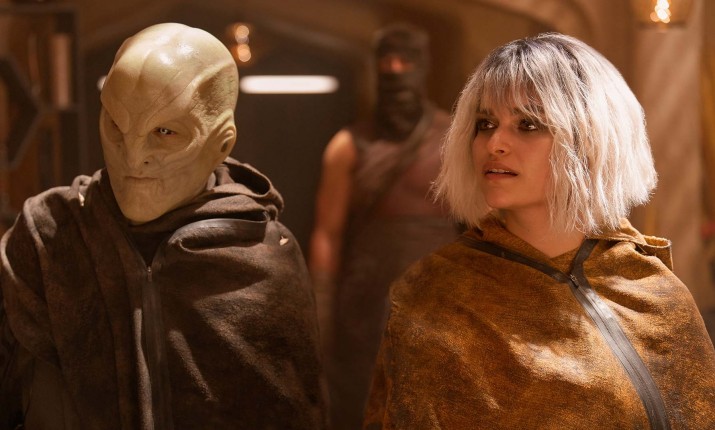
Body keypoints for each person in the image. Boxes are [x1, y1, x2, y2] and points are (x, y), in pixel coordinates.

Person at [364, 32, 715, 429]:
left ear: (588, 139)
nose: (495, 143)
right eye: (485, 123)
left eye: (527, 124)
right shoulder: (435, 293)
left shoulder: (654, 289)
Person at [0, 23, 325, 429]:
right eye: (116, 126)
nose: (132, 157)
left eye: (165, 132)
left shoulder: (264, 259)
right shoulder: (47, 238)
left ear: (222, 144)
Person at [308, 22, 458, 429]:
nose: (395, 70)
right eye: (387, 61)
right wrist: (322, 307)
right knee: (360, 407)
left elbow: (481, 225)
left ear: (423, 66)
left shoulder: (453, 141)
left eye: (405, 61)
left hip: (437, 302)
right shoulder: (348, 145)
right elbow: (327, 233)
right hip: (363, 306)